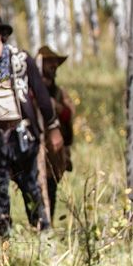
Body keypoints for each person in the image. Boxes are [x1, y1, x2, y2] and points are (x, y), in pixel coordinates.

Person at [0, 12, 63, 237]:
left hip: (21, 133)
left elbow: (40, 93)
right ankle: (3, 242)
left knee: (30, 186)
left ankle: (42, 234)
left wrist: (52, 126)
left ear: (1, 34)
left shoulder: (21, 59)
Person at [36, 45, 75, 219]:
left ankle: (47, 222)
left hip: (55, 151)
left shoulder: (59, 92)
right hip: (34, 146)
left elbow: (68, 115)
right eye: (48, 62)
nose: (52, 66)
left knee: (51, 187)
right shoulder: (30, 90)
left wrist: (56, 106)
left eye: (54, 63)